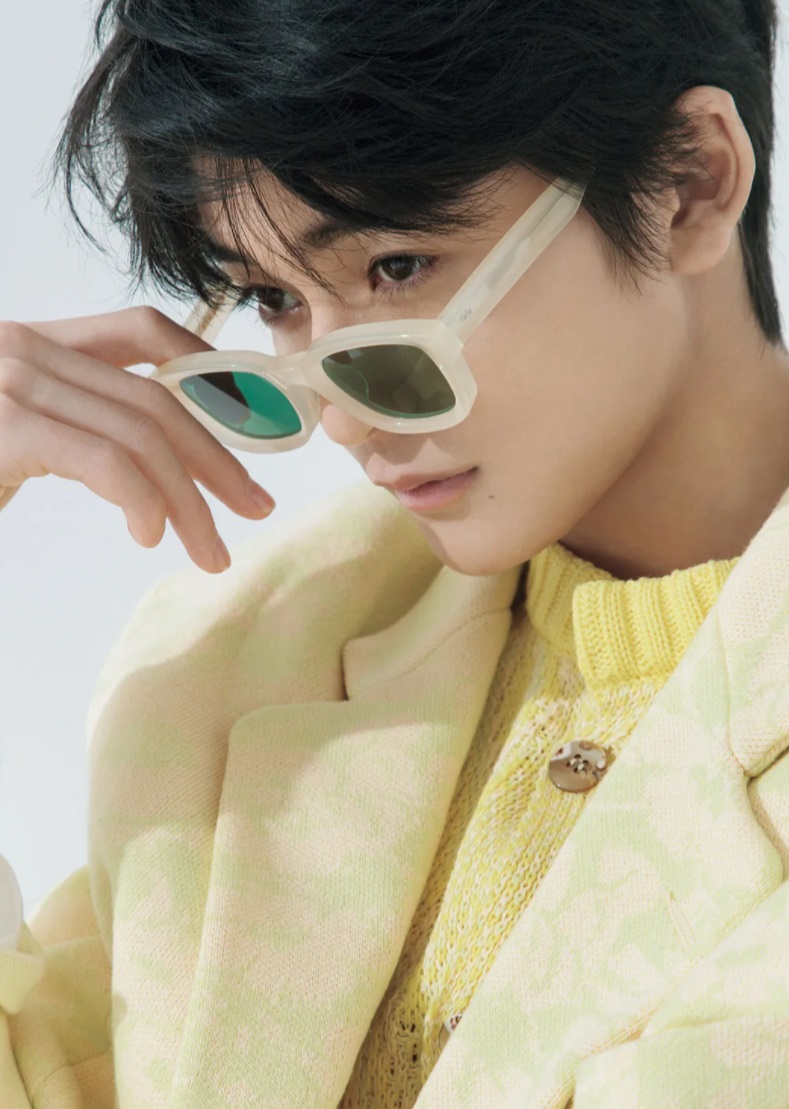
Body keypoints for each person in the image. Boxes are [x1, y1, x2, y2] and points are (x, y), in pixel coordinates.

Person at [1, 0, 788, 1104]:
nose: (343, 417)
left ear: (688, 182)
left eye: (401, 265)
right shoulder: (242, 673)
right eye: (273, 298)